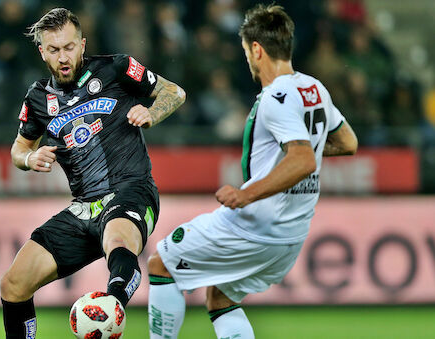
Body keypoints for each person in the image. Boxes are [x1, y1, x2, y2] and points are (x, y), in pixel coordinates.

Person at [147, 4, 357, 339]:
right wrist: (294, 155)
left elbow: (303, 160)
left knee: (161, 263)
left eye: (246, 50)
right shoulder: (315, 88)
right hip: (292, 233)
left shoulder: (276, 96)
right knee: (220, 298)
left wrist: (245, 194)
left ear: (256, 49)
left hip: (257, 224)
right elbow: (347, 142)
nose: (246, 58)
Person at [0, 8, 186, 339]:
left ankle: (110, 312)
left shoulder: (116, 68)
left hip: (132, 190)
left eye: (69, 47)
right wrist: (30, 158)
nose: (63, 57)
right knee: (13, 284)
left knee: (117, 239)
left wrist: (152, 112)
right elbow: (18, 149)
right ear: (42, 52)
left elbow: (174, 93)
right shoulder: (38, 97)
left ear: (82, 45)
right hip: (83, 207)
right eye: (54, 50)